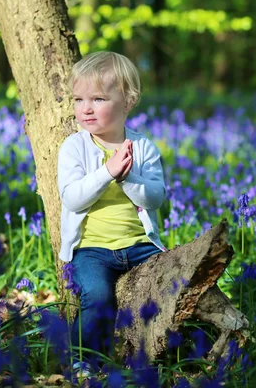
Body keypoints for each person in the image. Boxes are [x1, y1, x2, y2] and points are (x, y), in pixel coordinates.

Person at [57, 51, 167, 374]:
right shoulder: (74, 148)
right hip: (92, 250)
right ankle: (83, 359)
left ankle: (156, 355)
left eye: (98, 99)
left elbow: (156, 196)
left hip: (139, 245)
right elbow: (73, 198)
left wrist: (127, 176)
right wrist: (107, 172)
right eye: (78, 99)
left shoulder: (143, 147)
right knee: (98, 294)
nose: (85, 108)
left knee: (165, 286)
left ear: (128, 101)